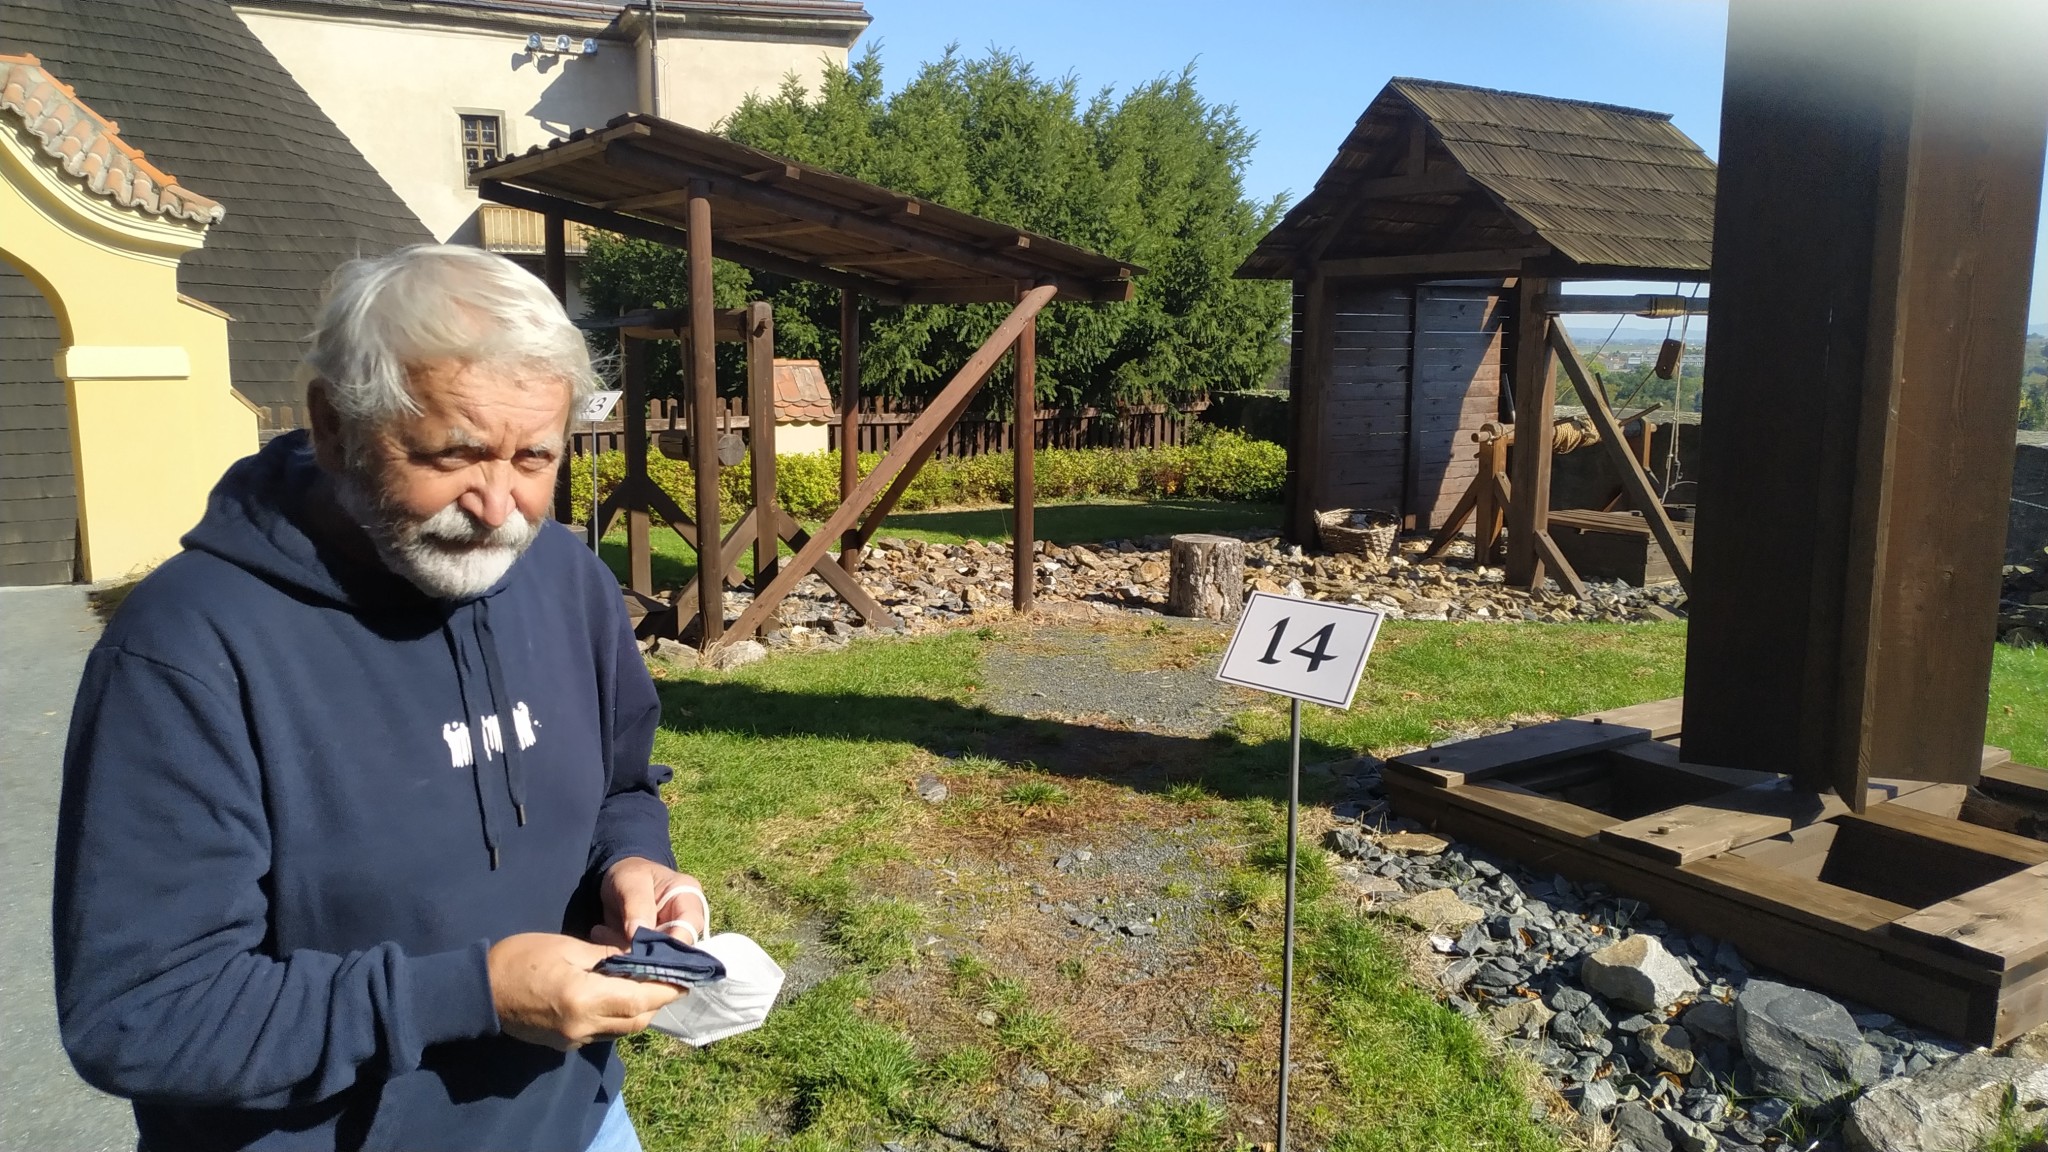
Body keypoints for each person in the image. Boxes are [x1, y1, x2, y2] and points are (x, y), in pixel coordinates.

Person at [53, 245, 702, 1151]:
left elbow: (621, 787)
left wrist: (635, 865)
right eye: (453, 453)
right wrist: (473, 995)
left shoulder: (567, 580)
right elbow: (142, 1014)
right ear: (333, 424)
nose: (498, 507)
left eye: (534, 457)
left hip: (580, 1123)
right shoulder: (187, 650)